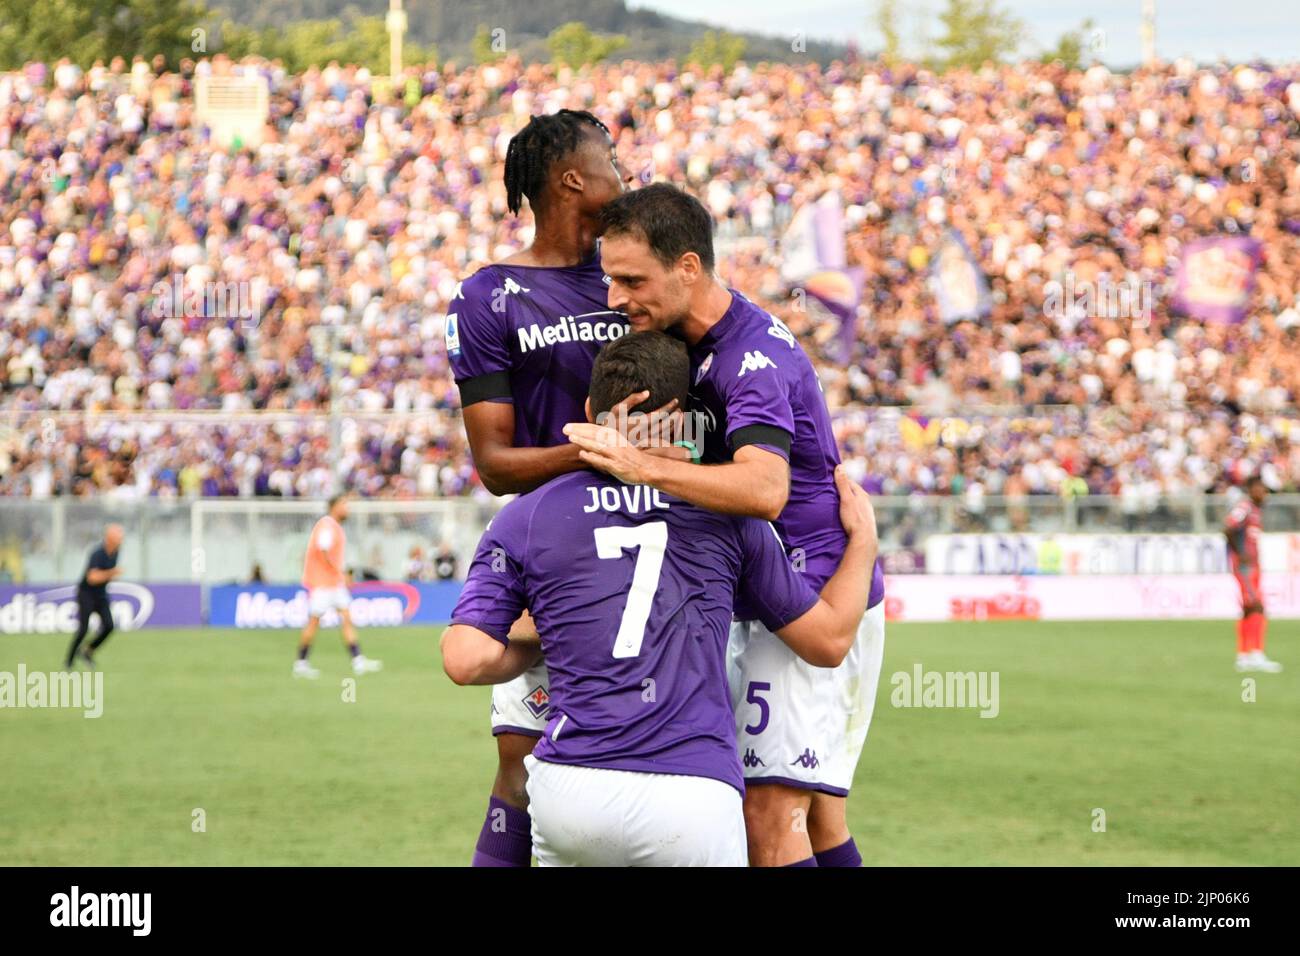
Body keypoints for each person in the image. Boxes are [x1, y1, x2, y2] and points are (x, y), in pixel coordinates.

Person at [442, 331, 878, 866]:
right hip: (692, 794)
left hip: (572, 791)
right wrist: (864, 544)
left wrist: (544, 634)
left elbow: (464, 660)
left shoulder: (527, 514)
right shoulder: (730, 515)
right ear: (683, 418)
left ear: (587, 410)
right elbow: (829, 642)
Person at [566, 183, 888, 866]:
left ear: (688, 267)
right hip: (763, 591)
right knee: (817, 818)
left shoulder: (750, 357)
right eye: (610, 279)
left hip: (809, 590)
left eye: (632, 280)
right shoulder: (683, 341)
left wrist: (640, 466)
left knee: (769, 816)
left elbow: (767, 489)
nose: (616, 298)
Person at [447, 109, 639, 867]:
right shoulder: (490, 295)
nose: (624, 176)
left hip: (657, 545)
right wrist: (596, 455)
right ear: (571, 179)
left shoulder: (635, 278)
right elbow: (495, 461)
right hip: (552, 558)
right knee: (520, 764)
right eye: (612, 161)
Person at [294, 493, 382, 679]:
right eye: (345, 504)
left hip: (334, 584)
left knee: (347, 618)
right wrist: (341, 572)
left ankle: (358, 661)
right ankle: (300, 663)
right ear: (335, 506)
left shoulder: (333, 526)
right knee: (314, 622)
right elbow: (324, 551)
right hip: (323, 584)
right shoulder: (327, 526)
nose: (347, 508)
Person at [1225, 475, 1282, 673]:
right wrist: (1240, 554)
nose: (1264, 493)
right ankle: (1256, 653)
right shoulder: (1245, 507)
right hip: (1245, 567)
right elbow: (1228, 527)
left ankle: (1244, 655)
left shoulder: (1256, 510)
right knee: (1257, 606)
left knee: (1249, 609)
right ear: (1251, 490)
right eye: (1261, 489)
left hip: (1252, 566)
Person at [65, 524, 124, 670]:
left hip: (101, 595)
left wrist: (109, 575)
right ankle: (69, 662)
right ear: (109, 538)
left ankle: (87, 650)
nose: (121, 540)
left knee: (109, 625)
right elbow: (92, 577)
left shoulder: (116, 552)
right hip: (86, 594)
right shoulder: (97, 553)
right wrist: (112, 573)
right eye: (118, 537)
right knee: (83, 629)